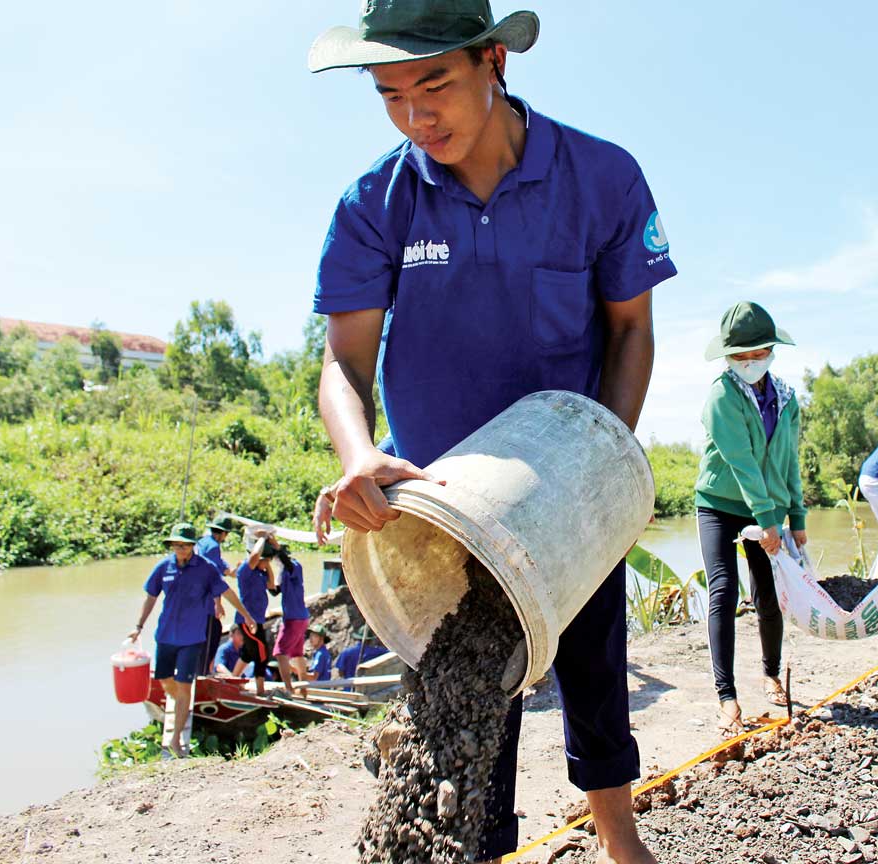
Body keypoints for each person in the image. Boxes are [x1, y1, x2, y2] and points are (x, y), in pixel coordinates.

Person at [307, 3, 676, 860]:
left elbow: (630, 331)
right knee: (464, 702)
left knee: (594, 666)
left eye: (434, 84)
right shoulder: (375, 203)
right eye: (389, 94)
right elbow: (343, 365)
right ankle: (478, 845)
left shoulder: (602, 177)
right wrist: (360, 455)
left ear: (493, 62)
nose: (415, 116)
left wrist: (599, 466)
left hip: (567, 490)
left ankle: (620, 837)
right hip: (443, 510)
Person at [694, 301, 805, 733]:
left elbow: (789, 460)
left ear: (771, 351)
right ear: (727, 357)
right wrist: (767, 520)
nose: (750, 363)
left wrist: (795, 517)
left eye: (758, 354)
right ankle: (727, 696)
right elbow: (741, 462)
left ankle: (772, 674)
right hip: (720, 504)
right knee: (722, 590)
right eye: (741, 357)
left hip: (770, 509)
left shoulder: (787, 398)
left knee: (768, 595)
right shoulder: (721, 396)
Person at [127, 523, 257, 757]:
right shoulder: (164, 567)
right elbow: (150, 598)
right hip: (166, 635)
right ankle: (181, 702)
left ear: (192, 546)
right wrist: (138, 627)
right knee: (166, 682)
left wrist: (246, 615)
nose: (180, 549)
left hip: (192, 638)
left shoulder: (205, 569)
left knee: (185, 686)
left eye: (184, 545)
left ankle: (176, 738)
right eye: (176, 545)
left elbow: (226, 592)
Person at [233, 532, 277, 696]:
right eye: (265, 561)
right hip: (248, 620)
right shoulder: (246, 571)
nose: (267, 564)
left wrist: (268, 564)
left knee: (248, 653)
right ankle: (260, 691)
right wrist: (263, 539)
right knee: (262, 654)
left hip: (256, 620)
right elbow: (254, 556)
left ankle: (233, 679)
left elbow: (272, 585)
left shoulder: (260, 573)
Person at [196, 515, 239, 675]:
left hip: (195, 600)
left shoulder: (202, 542)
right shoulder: (214, 546)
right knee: (212, 632)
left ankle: (199, 670)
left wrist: (233, 571)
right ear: (222, 533)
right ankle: (202, 673)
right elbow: (213, 576)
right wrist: (218, 603)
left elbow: (222, 567)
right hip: (206, 602)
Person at [271, 545, 309, 695]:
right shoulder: (284, 573)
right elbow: (275, 591)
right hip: (300, 617)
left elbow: (286, 562)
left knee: (280, 653)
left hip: (293, 618)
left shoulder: (294, 566)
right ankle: (304, 690)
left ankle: (289, 688)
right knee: (297, 654)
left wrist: (274, 543)